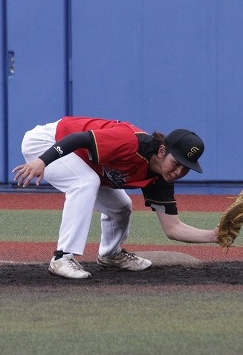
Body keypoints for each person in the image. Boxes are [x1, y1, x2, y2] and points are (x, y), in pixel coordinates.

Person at [12, 116, 220, 279]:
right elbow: (77, 139)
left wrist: (214, 236)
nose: (179, 172)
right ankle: (62, 257)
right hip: (47, 143)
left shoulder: (161, 179)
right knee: (85, 182)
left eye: (186, 168)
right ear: (162, 150)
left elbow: (173, 228)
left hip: (81, 161)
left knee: (121, 206)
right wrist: (42, 161)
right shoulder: (130, 142)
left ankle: (110, 254)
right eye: (177, 163)